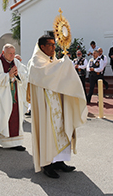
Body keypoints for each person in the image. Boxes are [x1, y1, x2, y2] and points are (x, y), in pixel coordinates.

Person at [27, 35, 87, 178]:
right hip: (46, 107)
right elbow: (48, 75)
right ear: (42, 47)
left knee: (62, 129)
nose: (54, 48)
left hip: (58, 104)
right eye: (51, 45)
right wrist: (64, 65)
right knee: (48, 131)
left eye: (55, 45)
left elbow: (59, 74)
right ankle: (48, 164)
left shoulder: (52, 60)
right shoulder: (36, 61)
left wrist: (63, 64)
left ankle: (59, 161)